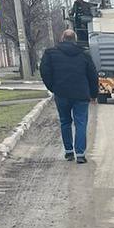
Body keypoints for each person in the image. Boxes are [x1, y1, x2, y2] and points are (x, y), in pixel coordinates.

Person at [39, 29, 98, 164]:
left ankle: (69, 152)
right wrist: (93, 94)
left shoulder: (51, 53)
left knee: (65, 122)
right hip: (81, 94)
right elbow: (92, 75)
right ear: (75, 39)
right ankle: (81, 154)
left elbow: (45, 71)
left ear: (62, 38)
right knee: (81, 123)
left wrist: (52, 87)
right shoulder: (84, 54)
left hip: (62, 94)